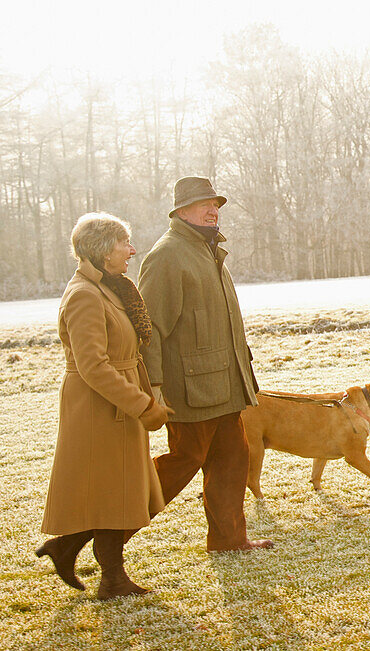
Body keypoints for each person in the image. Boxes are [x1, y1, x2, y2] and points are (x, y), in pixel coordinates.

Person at [37, 213, 172, 600]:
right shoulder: (83, 295)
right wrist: (143, 405)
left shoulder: (108, 288)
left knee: (116, 490)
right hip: (98, 406)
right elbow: (93, 366)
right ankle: (112, 579)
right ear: (101, 249)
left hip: (116, 401)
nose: (131, 250)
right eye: (123, 244)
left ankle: (66, 551)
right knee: (112, 492)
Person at [138, 176, 274, 552]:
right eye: (204, 204)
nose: (213, 210)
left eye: (215, 203)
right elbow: (148, 329)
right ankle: (97, 531)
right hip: (190, 393)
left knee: (233, 462)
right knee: (181, 465)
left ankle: (230, 540)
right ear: (181, 211)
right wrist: (153, 387)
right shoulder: (168, 254)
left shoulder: (209, 251)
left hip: (225, 388)